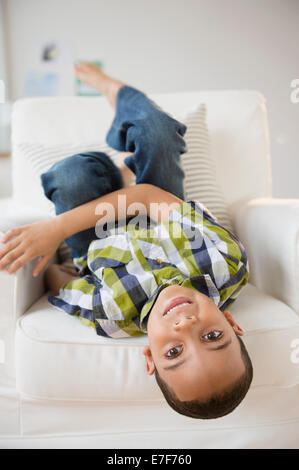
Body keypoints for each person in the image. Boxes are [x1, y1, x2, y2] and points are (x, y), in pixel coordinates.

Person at [0, 63, 252, 419]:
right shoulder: (225, 262)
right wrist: (55, 228)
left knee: (71, 176)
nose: (186, 326)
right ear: (232, 323)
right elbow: (150, 197)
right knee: (157, 132)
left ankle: (119, 175)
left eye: (174, 353)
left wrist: (61, 265)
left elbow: (62, 283)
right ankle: (112, 91)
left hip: (96, 241)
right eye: (212, 337)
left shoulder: (112, 314)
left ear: (149, 355)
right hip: (154, 204)